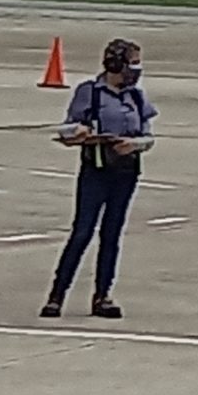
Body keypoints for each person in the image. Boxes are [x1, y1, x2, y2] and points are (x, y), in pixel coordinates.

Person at [44, 38, 155, 319]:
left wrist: (135, 144)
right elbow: (68, 129)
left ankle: (103, 295)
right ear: (116, 63)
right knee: (82, 232)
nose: (136, 69)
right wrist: (78, 132)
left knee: (111, 234)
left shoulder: (136, 96)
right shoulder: (90, 92)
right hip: (96, 170)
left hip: (126, 171)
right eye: (132, 62)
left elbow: (148, 135)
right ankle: (57, 294)